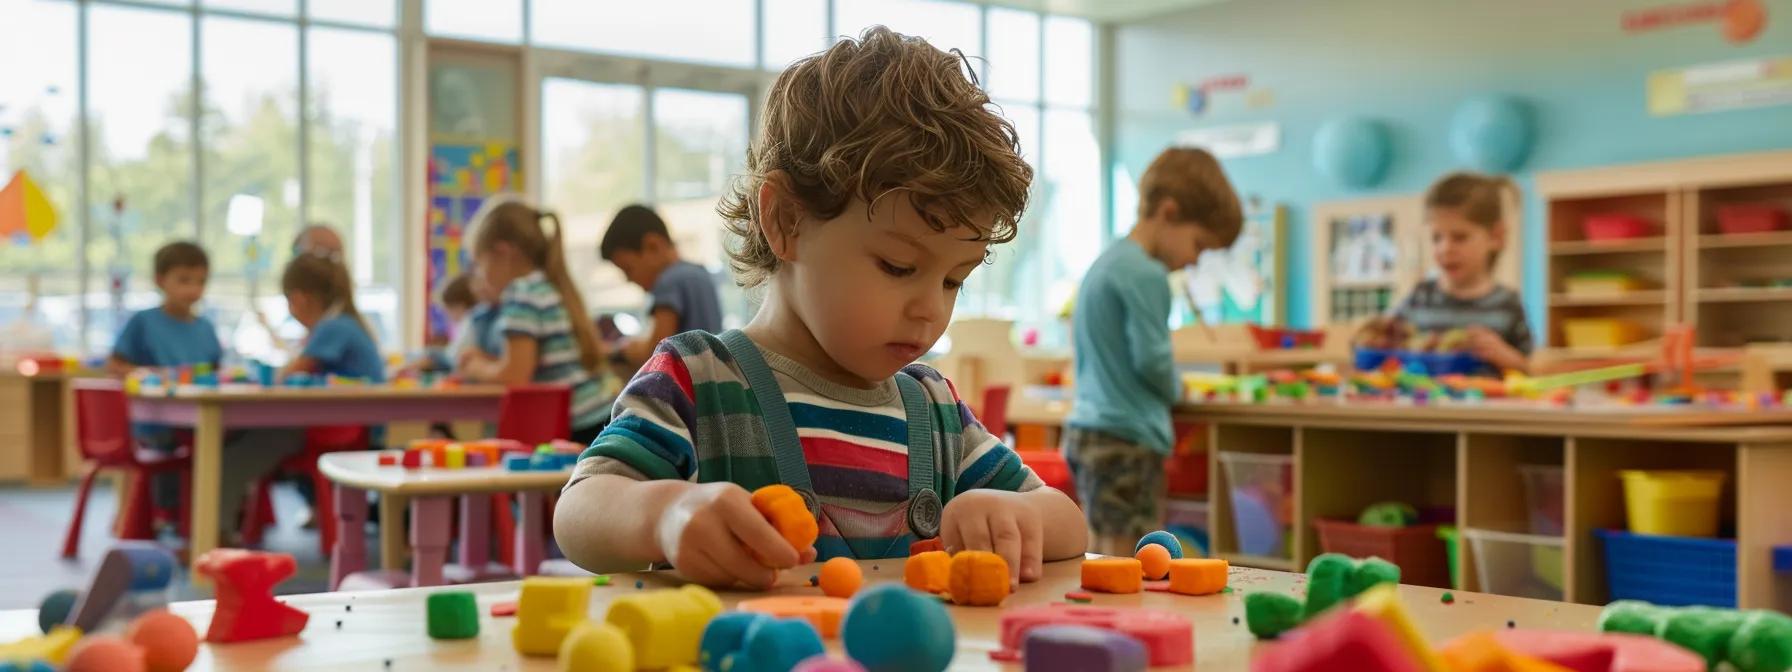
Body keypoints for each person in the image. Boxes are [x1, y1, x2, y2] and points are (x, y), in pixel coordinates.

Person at [552, 26, 1086, 590]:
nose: (930, 310)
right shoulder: (697, 381)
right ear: (787, 221)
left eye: (955, 280)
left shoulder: (935, 411)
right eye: (898, 267)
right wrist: (666, 515)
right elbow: (580, 511)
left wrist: (1023, 517)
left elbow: (1067, 522)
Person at [1066, 147, 1243, 557]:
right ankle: (1121, 622)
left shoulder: (1107, 261)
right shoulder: (1147, 274)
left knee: (1103, 550)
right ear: (1168, 212)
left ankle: (1101, 619)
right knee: (1132, 558)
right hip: (1127, 437)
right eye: (1198, 245)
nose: (1194, 261)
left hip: (1088, 432)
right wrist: (1180, 391)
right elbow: (1153, 360)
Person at [216, 254, 385, 539]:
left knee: (230, 458)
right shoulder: (345, 322)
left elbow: (289, 373)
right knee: (243, 441)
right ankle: (229, 524)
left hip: (327, 430)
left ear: (299, 298)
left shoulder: (334, 327)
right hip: (346, 428)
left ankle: (214, 534)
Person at [461, 197, 618, 445]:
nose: (480, 275)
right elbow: (535, 363)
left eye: (479, 264)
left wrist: (477, 367)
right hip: (598, 416)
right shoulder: (546, 285)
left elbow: (515, 375)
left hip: (576, 425)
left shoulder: (520, 292)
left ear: (503, 252)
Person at [109, 241, 224, 513]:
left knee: (236, 441)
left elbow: (217, 373)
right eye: (184, 280)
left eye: (201, 281)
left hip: (204, 419)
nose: (193, 289)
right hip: (157, 424)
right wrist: (149, 373)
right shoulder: (144, 322)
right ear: (160, 280)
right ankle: (172, 512)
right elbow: (115, 365)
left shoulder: (205, 328)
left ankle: (215, 514)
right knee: (188, 450)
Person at [1391, 172, 1532, 375]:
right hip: (1426, 405)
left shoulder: (1508, 304)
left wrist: (1505, 356)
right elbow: (1384, 349)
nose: (1445, 248)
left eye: (1460, 237)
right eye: (1436, 237)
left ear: (1496, 237)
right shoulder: (1420, 297)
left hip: (1487, 405)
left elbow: (1527, 371)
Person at [599, 204, 724, 368]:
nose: (629, 279)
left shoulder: (669, 281)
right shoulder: (700, 274)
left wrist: (621, 350)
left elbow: (654, 354)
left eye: (628, 269)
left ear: (653, 246)